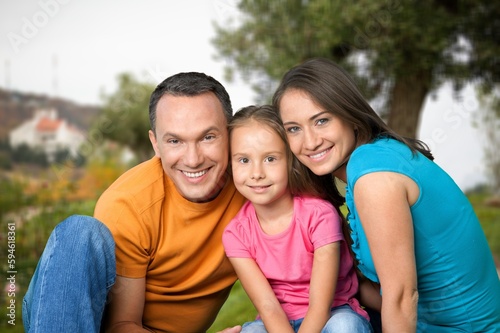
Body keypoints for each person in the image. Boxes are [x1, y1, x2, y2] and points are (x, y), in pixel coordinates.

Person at [271, 57, 500, 332]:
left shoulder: (372, 175)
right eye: (294, 129)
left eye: (321, 121)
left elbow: (402, 298)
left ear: (349, 115)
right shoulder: (375, 156)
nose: (309, 141)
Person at [22, 72, 248, 332]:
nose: (193, 159)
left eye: (208, 137)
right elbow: (121, 325)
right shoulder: (129, 203)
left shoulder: (254, 185)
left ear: (230, 134)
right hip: (78, 319)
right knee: (79, 233)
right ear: (156, 144)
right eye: (175, 141)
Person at [222, 105, 373, 333]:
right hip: (275, 323)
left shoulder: (318, 215)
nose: (256, 173)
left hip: (332, 313)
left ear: (290, 161)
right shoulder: (236, 234)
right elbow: (268, 306)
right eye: (244, 160)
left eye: (270, 159)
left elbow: (320, 307)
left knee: (345, 326)